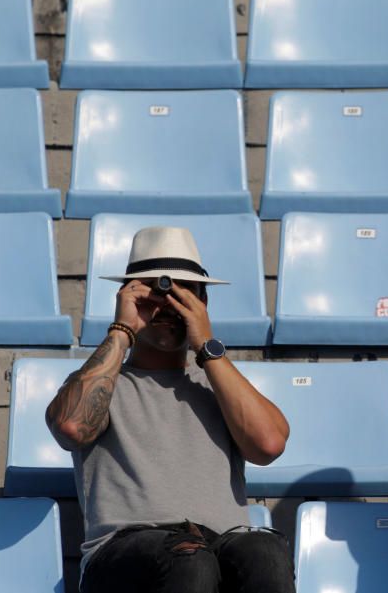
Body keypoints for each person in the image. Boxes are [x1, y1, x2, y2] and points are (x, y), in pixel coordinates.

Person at [46, 226, 294, 593]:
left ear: (202, 301)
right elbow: (70, 427)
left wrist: (207, 346)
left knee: (265, 551)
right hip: (124, 556)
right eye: (153, 293)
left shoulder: (219, 384)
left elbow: (269, 445)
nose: (167, 306)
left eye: (183, 294)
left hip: (219, 549)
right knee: (188, 557)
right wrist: (122, 329)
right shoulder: (104, 380)